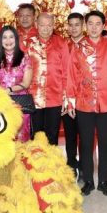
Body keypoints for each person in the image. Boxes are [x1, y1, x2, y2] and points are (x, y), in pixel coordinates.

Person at [67, 11, 107, 197]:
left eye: (98, 23)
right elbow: (72, 75)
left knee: (105, 143)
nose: (94, 27)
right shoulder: (78, 48)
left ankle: (104, 181)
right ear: (86, 25)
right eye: (90, 23)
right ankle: (89, 181)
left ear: (103, 26)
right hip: (84, 103)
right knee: (86, 144)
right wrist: (71, 101)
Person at [26, 12, 70, 145]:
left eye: (49, 25)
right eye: (42, 25)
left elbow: (66, 71)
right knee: (36, 136)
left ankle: (52, 159)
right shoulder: (28, 44)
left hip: (55, 97)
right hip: (33, 97)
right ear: (36, 25)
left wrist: (66, 97)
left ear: (53, 26)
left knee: (52, 136)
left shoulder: (61, 43)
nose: (46, 28)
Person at [0, 26, 35, 141]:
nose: (8, 41)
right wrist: (4, 97)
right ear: (0, 40)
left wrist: (9, 90)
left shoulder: (25, 58)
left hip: (20, 104)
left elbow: (26, 83)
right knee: (4, 137)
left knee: (22, 138)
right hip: (1, 102)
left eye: (11, 37)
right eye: (4, 37)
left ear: (16, 39)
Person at [63, 13, 85, 174]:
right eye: (71, 25)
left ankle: (85, 166)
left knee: (85, 134)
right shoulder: (63, 45)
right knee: (70, 133)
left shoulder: (89, 45)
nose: (74, 28)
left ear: (83, 26)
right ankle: (71, 163)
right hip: (66, 96)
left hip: (85, 97)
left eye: (77, 24)